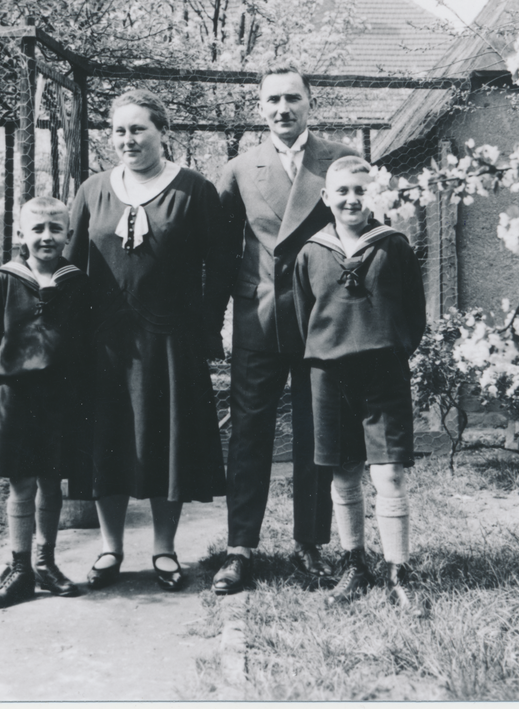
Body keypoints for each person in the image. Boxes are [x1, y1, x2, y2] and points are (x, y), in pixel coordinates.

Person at [64, 89, 226, 592]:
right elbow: (71, 264)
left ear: (162, 131)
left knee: (166, 443)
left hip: (170, 342)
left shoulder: (194, 190)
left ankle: (163, 549)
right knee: (107, 443)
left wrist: (203, 326)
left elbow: (218, 268)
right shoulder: (92, 190)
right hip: (105, 345)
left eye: (138, 129)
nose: (128, 140)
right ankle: (111, 548)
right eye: (119, 131)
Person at [208, 65, 361, 595]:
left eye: (292, 98)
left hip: (324, 319)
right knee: (249, 435)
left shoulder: (342, 161)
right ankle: (239, 549)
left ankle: (309, 544)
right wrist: (223, 321)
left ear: (310, 102)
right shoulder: (238, 169)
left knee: (316, 434)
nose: (282, 109)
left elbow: (368, 236)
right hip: (261, 318)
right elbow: (223, 256)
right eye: (272, 100)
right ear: (260, 107)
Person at [293, 156, 426, 613]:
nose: (353, 199)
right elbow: (302, 318)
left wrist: (389, 349)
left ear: (377, 197)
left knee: (388, 472)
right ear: (327, 197)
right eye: (343, 191)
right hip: (329, 376)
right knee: (343, 470)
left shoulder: (394, 246)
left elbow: (414, 314)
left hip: (383, 372)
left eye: (362, 191)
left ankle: (398, 570)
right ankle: (355, 563)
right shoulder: (310, 252)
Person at [0, 196, 93, 608]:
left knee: (51, 479)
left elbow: (87, 344)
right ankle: (21, 569)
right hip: (14, 397)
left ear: (69, 235)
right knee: (21, 481)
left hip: (62, 398)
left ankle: (46, 562)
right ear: (20, 234)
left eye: (55, 229)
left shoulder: (77, 282)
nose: (46, 237)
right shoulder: (5, 281)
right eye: (37, 229)